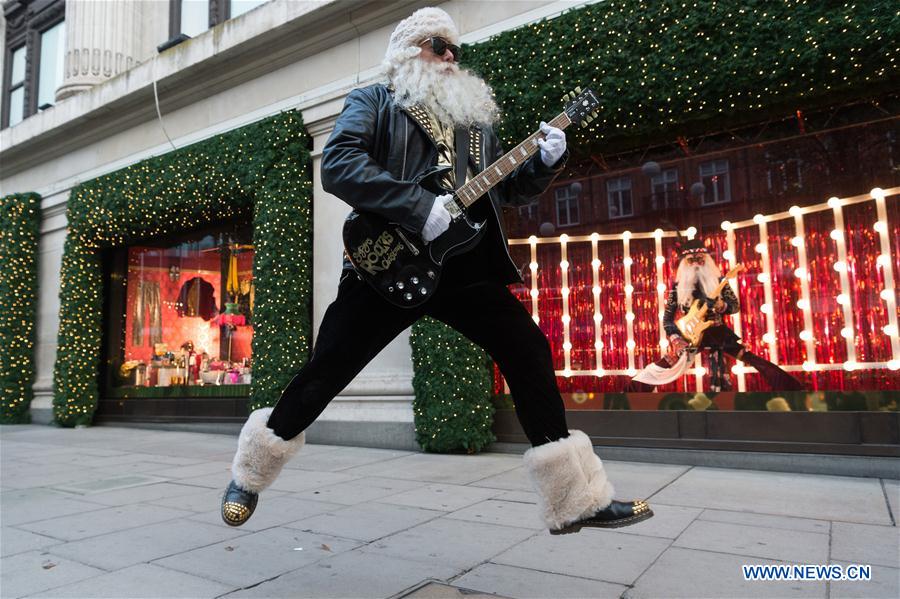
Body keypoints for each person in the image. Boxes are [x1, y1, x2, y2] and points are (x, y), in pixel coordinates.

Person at [221, 6, 653, 535]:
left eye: (455, 49)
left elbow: (504, 190)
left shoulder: (474, 124)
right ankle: (249, 473)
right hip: (387, 262)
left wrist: (544, 162)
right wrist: (418, 207)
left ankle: (574, 501)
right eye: (438, 45)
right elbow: (338, 164)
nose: (451, 57)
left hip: (463, 268)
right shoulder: (374, 101)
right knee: (326, 371)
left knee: (528, 350)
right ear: (408, 51)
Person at [631, 238, 803, 392]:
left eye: (700, 259)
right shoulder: (677, 288)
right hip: (691, 335)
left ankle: (792, 389)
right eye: (691, 260)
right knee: (668, 363)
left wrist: (722, 306)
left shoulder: (720, 282)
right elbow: (668, 319)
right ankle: (634, 391)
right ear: (684, 263)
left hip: (717, 331)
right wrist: (676, 339)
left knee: (751, 359)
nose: (696, 264)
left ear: (707, 260)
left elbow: (734, 307)